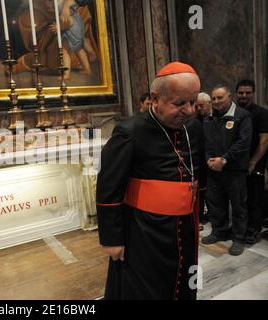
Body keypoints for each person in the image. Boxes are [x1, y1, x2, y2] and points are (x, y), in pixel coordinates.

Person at [97, 62, 204, 300]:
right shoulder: (130, 131)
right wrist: (112, 239)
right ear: (155, 98)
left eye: (193, 102)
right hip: (144, 230)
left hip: (184, 224)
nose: (188, 110)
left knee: (183, 280)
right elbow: (108, 188)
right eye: (179, 103)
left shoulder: (193, 127)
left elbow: (198, 173)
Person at [202, 86, 252, 256]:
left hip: (234, 170)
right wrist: (210, 160)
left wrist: (224, 159)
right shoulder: (210, 118)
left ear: (229, 97)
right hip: (213, 169)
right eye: (214, 98)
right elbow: (207, 142)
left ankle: (238, 238)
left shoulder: (242, 115)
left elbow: (243, 143)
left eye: (220, 98)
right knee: (215, 203)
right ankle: (218, 231)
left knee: (238, 205)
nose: (216, 101)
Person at [235, 80, 268, 244]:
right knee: (240, 197)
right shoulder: (232, 111)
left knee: (255, 196)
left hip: (255, 163)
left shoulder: (261, 113)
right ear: (236, 93)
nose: (244, 95)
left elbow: (264, 140)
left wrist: (253, 161)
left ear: (253, 93)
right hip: (236, 164)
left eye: (248, 92)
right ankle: (242, 226)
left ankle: (254, 229)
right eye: (241, 92)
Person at [195, 92, 212, 227]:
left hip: (215, 160)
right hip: (200, 162)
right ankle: (199, 217)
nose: (199, 109)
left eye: (201, 106)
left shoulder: (217, 118)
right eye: (197, 106)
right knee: (201, 191)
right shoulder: (195, 121)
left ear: (209, 104)